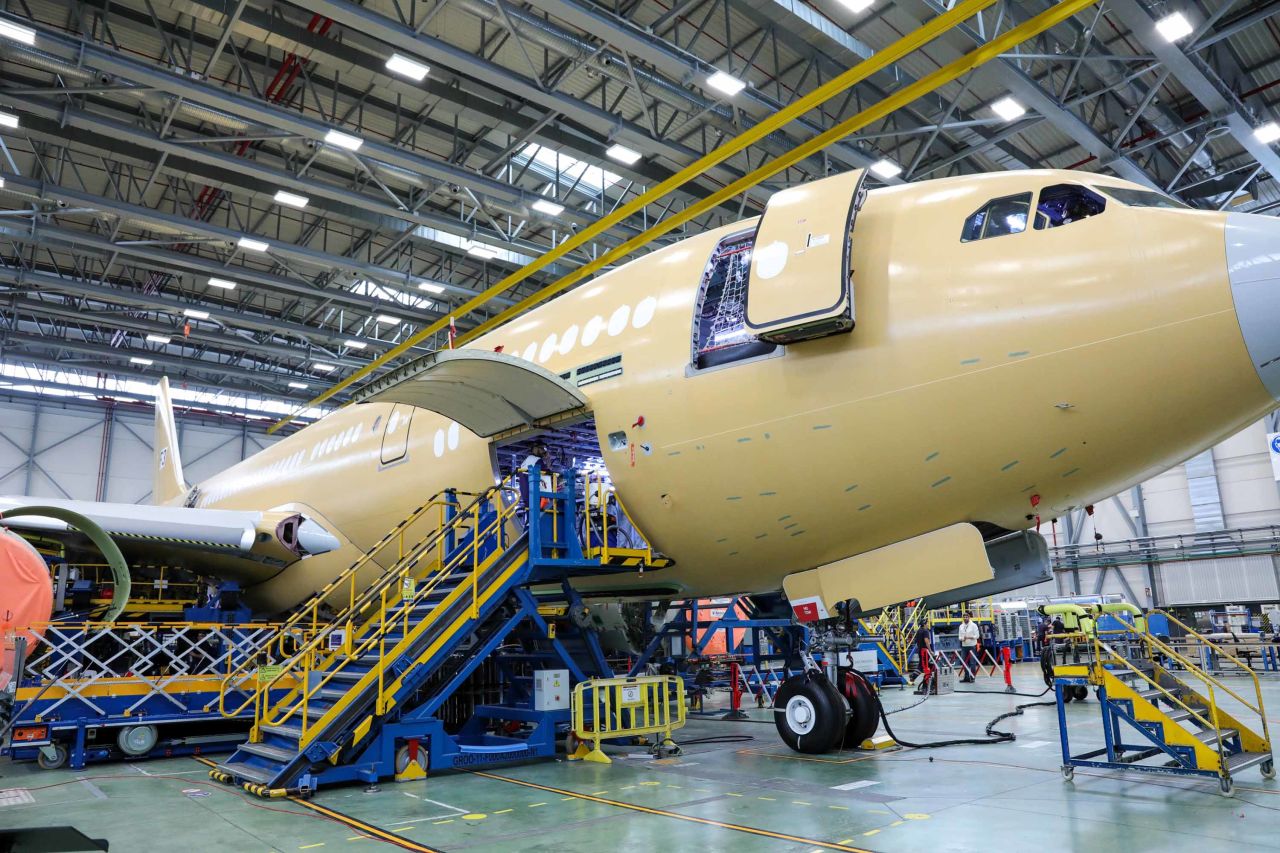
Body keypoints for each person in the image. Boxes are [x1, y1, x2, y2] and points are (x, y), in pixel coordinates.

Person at [958, 612, 980, 683]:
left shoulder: (974, 625)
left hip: (972, 645)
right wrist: (962, 639)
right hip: (964, 646)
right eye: (964, 617)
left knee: (972, 662)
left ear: (969, 617)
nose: (965, 618)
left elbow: (977, 636)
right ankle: (966, 677)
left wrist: (969, 637)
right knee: (964, 662)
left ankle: (972, 677)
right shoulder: (961, 626)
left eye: (966, 617)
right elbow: (959, 637)